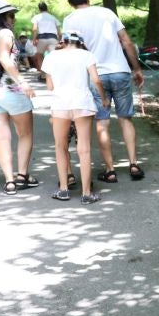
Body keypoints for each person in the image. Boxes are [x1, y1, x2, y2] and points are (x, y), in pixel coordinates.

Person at [63, 0, 146, 183]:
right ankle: (133, 164)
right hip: (120, 71)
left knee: (102, 122)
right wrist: (136, 68)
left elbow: (71, 51)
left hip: (95, 76)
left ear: (70, 2)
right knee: (126, 119)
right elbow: (126, 41)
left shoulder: (69, 20)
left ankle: (110, 170)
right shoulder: (107, 13)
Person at [42, 31, 107, 204]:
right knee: (84, 149)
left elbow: (50, 86)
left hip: (60, 104)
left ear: (62, 41)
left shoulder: (51, 56)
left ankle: (63, 190)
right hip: (82, 103)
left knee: (60, 147)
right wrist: (104, 99)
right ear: (80, 43)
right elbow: (96, 80)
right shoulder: (87, 55)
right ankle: (86, 194)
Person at [0, 0, 38, 195]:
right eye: (11, 15)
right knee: (24, 134)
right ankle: (22, 176)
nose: (14, 19)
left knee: (1, 138)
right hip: (10, 88)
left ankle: (9, 181)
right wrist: (23, 82)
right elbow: (3, 58)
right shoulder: (5, 33)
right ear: (3, 17)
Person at [30, 1, 61, 72]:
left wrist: (34, 39)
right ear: (47, 9)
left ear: (39, 9)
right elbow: (59, 32)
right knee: (54, 57)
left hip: (42, 38)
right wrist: (59, 40)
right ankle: (54, 73)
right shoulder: (53, 17)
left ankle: (43, 74)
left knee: (39, 56)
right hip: (53, 38)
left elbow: (34, 29)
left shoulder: (37, 17)